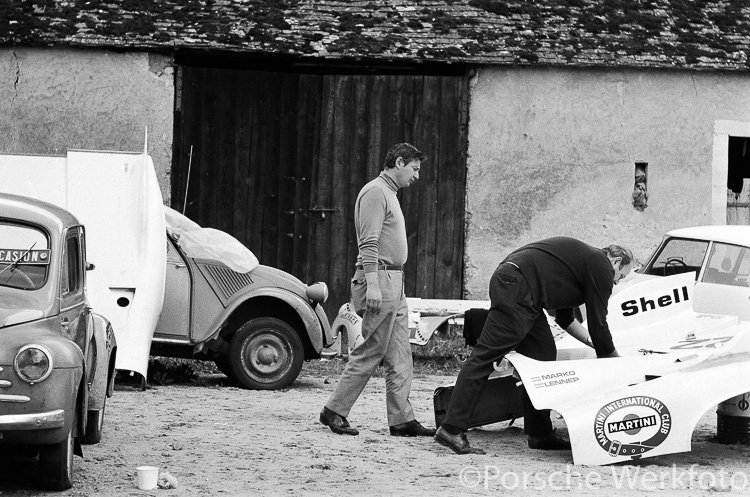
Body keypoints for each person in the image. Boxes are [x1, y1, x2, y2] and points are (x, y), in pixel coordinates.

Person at [434, 237, 634, 454]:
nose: (615, 283)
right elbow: (598, 322)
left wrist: (592, 343)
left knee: (542, 355)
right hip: (518, 287)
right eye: (620, 276)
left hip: (522, 289)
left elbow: (565, 319)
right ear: (615, 261)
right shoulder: (601, 266)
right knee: (485, 357)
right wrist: (616, 363)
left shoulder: (582, 265)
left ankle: (540, 433)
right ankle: (452, 429)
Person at [320, 142, 436, 438]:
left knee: (399, 353)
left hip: (393, 281)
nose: (416, 176)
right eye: (414, 169)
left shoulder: (390, 193)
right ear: (399, 163)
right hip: (379, 280)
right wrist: (372, 284)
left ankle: (401, 419)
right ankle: (335, 409)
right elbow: (368, 243)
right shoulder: (375, 192)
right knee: (372, 348)